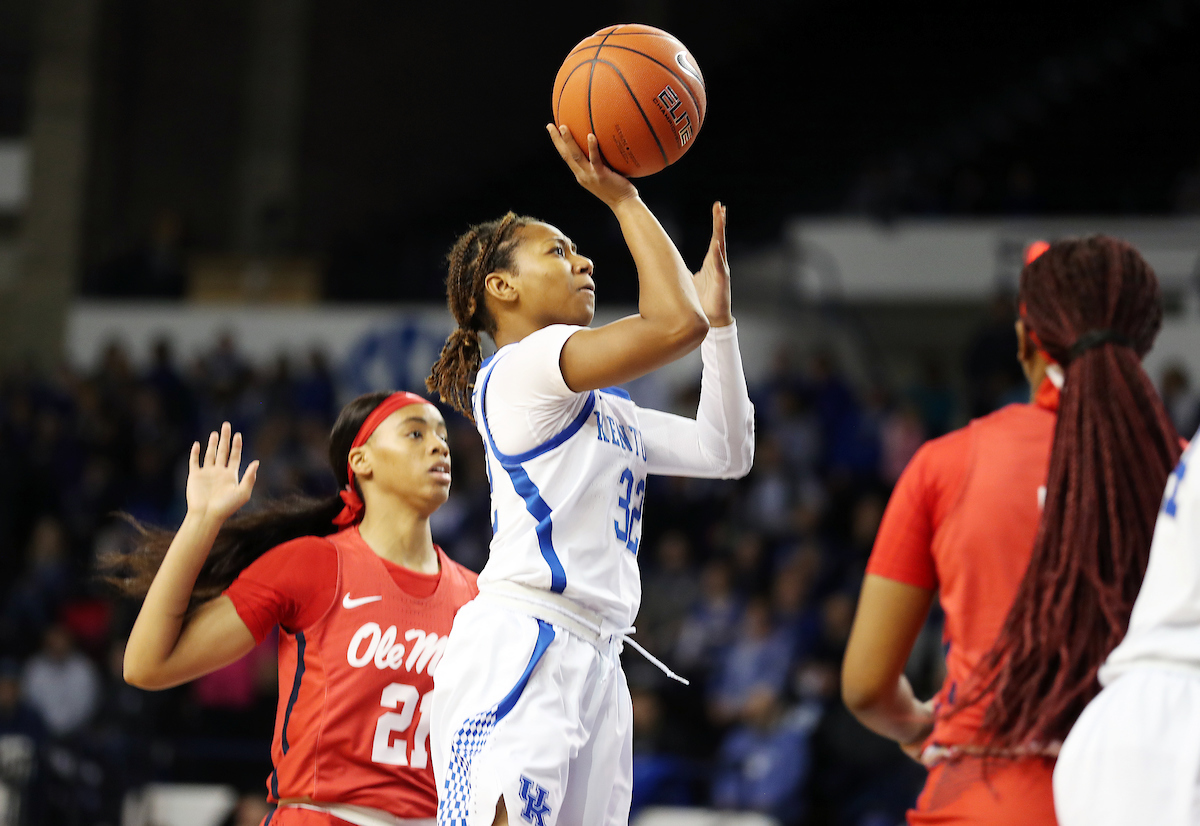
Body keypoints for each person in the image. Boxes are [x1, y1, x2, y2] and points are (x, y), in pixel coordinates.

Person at [424, 124, 754, 826]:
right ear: (501, 286)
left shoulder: (605, 408)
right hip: (526, 644)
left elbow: (726, 452)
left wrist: (721, 327)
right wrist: (624, 199)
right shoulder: (519, 370)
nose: (584, 264)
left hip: (600, 661)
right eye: (559, 251)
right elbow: (671, 326)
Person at [842, 236, 1179, 825]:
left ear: (1024, 341)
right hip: (1150, 791)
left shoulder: (948, 464)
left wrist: (923, 726)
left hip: (991, 790)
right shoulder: (1184, 472)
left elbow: (867, 687)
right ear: (1142, 342)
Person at [110, 392, 479, 825]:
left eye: (442, 435)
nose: (439, 445)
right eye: (416, 433)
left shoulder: (477, 597)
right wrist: (201, 521)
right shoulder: (314, 564)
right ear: (361, 461)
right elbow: (146, 665)